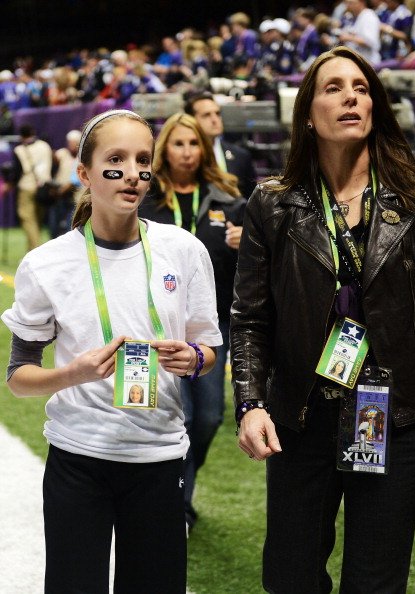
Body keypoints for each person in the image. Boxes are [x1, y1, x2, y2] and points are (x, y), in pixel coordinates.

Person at [230, 46, 415, 594]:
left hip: (393, 415)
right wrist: (250, 404)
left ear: (376, 107)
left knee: (376, 582)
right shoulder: (272, 203)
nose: (350, 97)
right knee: (289, 578)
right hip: (300, 416)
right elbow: (249, 319)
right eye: (334, 87)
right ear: (308, 113)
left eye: (361, 88)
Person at [1, 109, 222, 594]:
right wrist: (73, 373)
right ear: (85, 173)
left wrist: (194, 359)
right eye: (115, 159)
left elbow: (207, 347)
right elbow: (19, 377)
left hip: (159, 459)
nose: (132, 173)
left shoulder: (183, 251)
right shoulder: (47, 264)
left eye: (143, 160)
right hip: (79, 460)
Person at [139, 112, 246, 531]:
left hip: (209, 327)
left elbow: (256, 269)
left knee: (208, 418)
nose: (186, 151)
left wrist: (247, 245)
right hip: (155, 327)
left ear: (204, 148)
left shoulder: (227, 199)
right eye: (178, 143)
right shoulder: (146, 197)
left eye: (193, 143)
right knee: (174, 416)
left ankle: (180, 483)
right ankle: (174, 505)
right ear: (164, 148)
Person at [184, 91, 257, 198]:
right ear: (191, 120)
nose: (215, 120)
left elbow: (250, 201)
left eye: (217, 114)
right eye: (206, 115)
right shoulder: (185, 157)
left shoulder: (241, 156)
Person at [12, 124, 52, 251]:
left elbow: (17, 172)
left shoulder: (19, 149)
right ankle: (31, 250)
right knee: (38, 221)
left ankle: (36, 250)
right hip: (44, 187)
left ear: (21, 136)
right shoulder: (45, 146)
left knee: (28, 219)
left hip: (27, 186)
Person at [47, 129, 82, 238]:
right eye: (70, 142)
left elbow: (75, 180)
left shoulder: (82, 158)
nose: (71, 145)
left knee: (70, 224)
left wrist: (62, 190)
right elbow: (52, 163)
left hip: (74, 195)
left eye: (74, 143)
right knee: (54, 224)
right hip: (59, 194)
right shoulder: (62, 153)